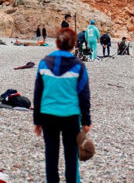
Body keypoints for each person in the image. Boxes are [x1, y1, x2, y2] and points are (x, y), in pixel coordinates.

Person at [33, 27, 91, 183]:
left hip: (48, 115)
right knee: (71, 156)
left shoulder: (44, 63)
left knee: (51, 155)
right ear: (73, 45)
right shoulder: (79, 65)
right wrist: (86, 120)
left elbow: (38, 93)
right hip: (70, 116)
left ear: (57, 43)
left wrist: (37, 120)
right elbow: (84, 95)